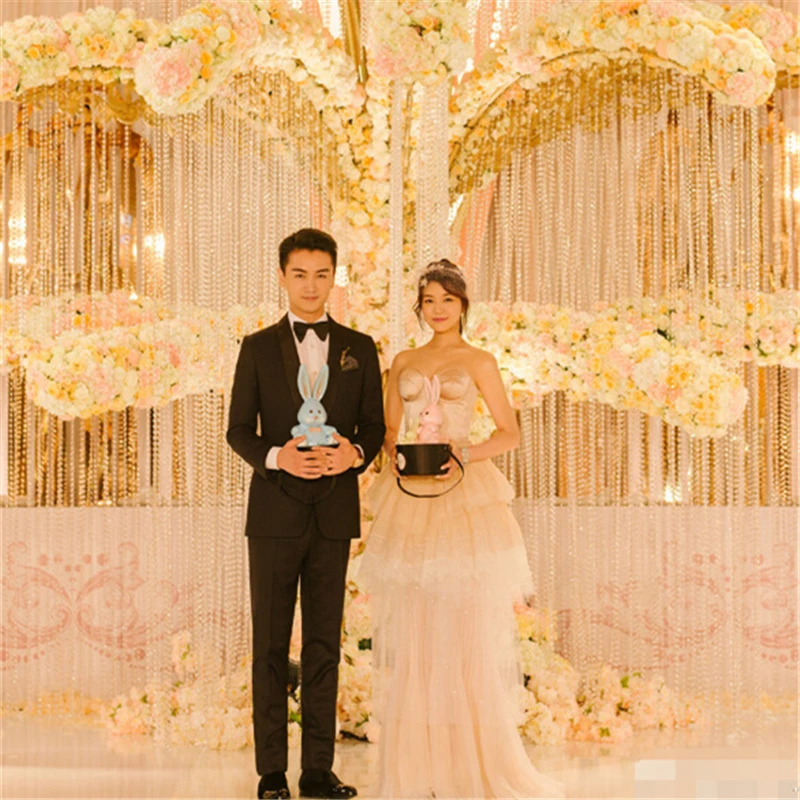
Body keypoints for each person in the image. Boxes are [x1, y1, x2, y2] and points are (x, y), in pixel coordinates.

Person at [358, 259, 564, 798]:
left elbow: (509, 433)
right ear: (419, 307)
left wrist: (463, 453)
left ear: (463, 305)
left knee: (464, 630)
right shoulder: (404, 360)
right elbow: (388, 429)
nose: (438, 309)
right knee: (415, 631)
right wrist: (398, 453)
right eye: (429, 300)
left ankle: (470, 767)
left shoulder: (479, 361)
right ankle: (416, 770)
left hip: (463, 497)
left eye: (447, 299)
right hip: (411, 498)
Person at [227, 228, 386, 800]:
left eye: (322, 275)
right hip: (273, 515)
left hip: (334, 516)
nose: (311, 286)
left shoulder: (359, 346)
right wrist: (279, 457)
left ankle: (318, 770)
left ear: (334, 277)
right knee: (270, 644)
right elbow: (238, 430)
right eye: (300, 274)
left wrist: (355, 453)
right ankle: (271, 773)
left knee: (323, 645)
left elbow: (374, 425)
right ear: (282, 277)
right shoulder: (256, 347)